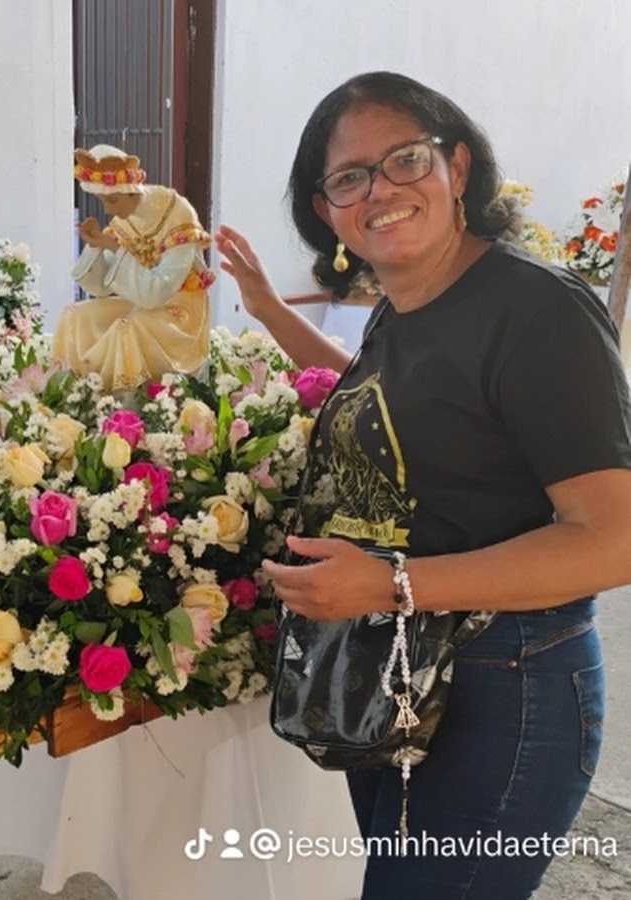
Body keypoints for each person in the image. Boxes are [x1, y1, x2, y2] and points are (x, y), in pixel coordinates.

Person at [215, 71, 631, 899]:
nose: (379, 190)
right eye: (349, 178)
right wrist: (265, 308)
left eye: (404, 159)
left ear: (458, 167)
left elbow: (613, 539)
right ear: (327, 209)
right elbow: (379, 400)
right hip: (395, 669)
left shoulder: (535, 311)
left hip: (506, 682)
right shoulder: (402, 305)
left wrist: (393, 584)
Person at [52, 145, 212, 392]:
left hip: (179, 310)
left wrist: (115, 248)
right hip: (140, 304)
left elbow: (156, 293)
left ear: (131, 192)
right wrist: (96, 245)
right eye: (103, 201)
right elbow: (100, 288)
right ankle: (73, 395)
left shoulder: (177, 214)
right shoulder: (124, 221)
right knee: (74, 315)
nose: (108, 210)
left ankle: (122, 403)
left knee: (126, 327)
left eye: (112, 200)